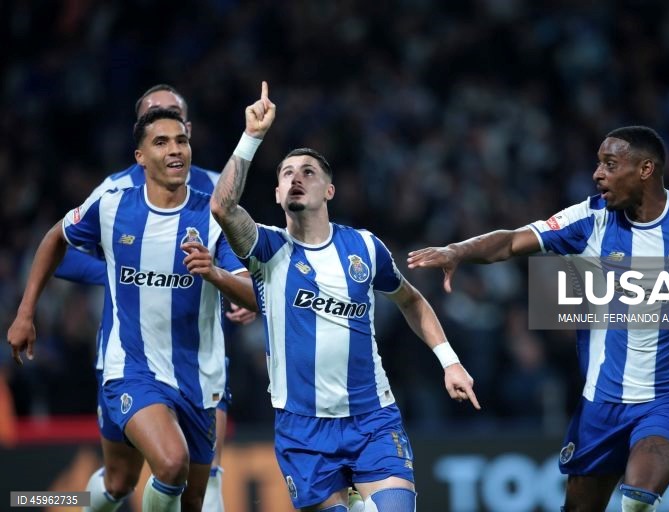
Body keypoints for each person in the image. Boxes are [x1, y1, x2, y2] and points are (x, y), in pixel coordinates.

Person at [406, 125, 669, 512]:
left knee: (638, 499)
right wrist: (458, 251)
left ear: (645, 169)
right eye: (598, 164)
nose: (597, 174)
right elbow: (512, 240)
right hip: (602, 402)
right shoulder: (590, 218)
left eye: (610, 164)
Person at [209, 81, 481, 512]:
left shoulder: (365, 248)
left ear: (329, 191)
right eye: (287, 174)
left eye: (308, 172)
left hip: (372, 419)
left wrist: (450, 361)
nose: (297, 178)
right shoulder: (268, 249)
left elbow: (411, 300)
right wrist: (252, 137)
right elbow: (223, 208)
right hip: (303, 430)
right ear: (277, 194)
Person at [8, 107, 258, 512]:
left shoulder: (215, 217)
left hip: (198, 377)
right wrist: (25, 313)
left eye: (181, 140)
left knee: (131, 485)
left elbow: (254, 295)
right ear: (140, 156)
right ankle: (31, 499)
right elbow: (55, 238)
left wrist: (215, 274)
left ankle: (63, 502)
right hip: (130, 368)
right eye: (161, 142)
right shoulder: (112, 205)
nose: (175, 149)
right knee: (171, 463)